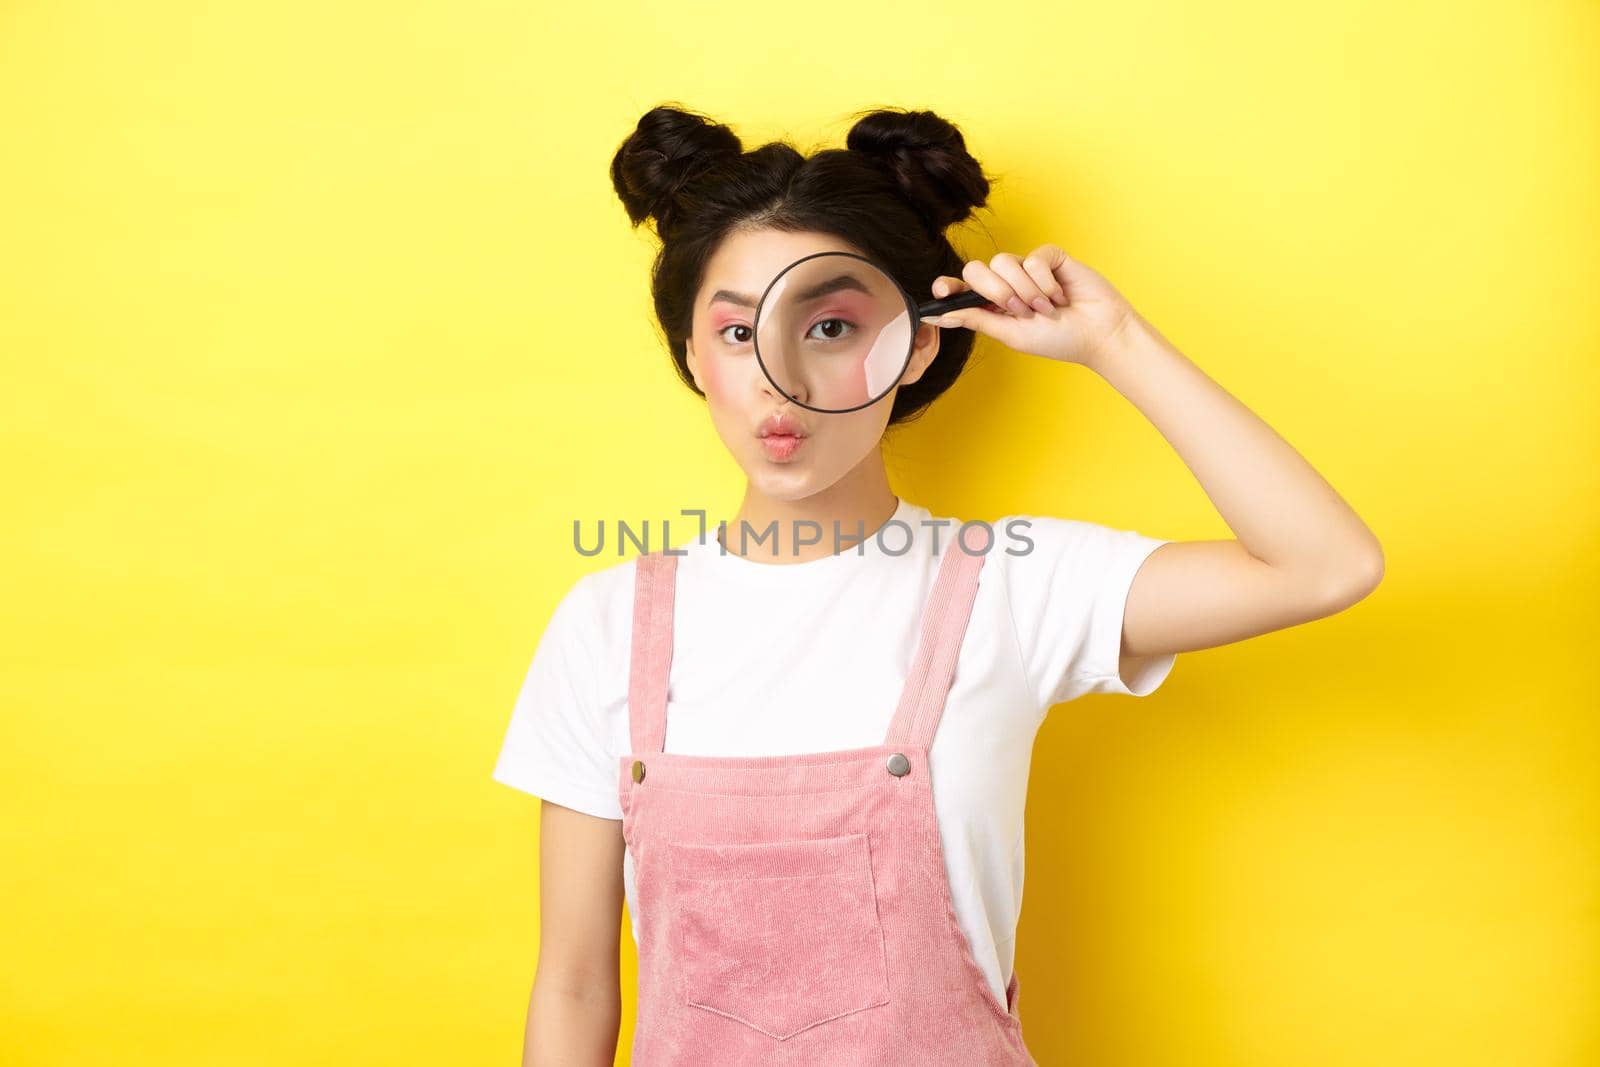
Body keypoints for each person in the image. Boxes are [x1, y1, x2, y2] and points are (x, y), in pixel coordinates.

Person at [492, 103, 1385, 1066]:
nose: (779, 379)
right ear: (693, 358)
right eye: (740, 334)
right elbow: (576, 982)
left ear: (917, 344)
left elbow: (1326, 564)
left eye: (831, 325)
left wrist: (1114, 341)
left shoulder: (1017, 587)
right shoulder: (606, 623)